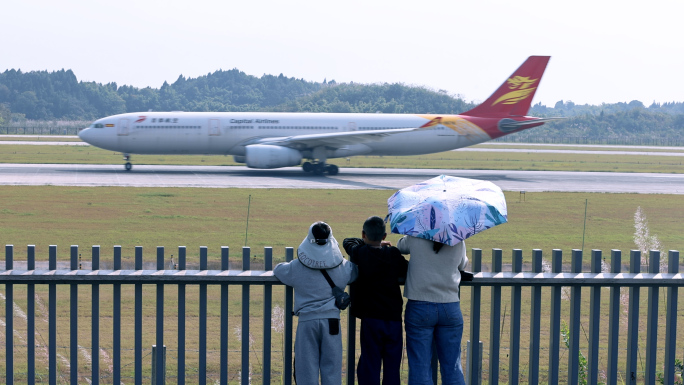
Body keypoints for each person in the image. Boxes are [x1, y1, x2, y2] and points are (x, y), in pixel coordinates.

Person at [273, 221, 357, 385]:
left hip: (307, 321)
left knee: (306, 370)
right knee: (332, 370)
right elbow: (354, 273)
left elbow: (279, 270)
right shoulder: (343, 266)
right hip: (332, 321)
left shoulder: (297, 267)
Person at [343, 216, 409, 385]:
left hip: (371, 318)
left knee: (370, 364)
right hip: (393, 318)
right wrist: (385, 248)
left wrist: (366, 243)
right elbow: (406, 269)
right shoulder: (393, 254)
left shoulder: (361, 253)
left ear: (363, 234)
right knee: (392, 367)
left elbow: (347, 242)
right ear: (385, 236)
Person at [396, 235, 468, 385]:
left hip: (420, 304)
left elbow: (400, 246)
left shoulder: (416, 235)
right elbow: (462, 265)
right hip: (450, 304)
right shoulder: (457, 237)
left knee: (420, 367)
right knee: (452, 367)